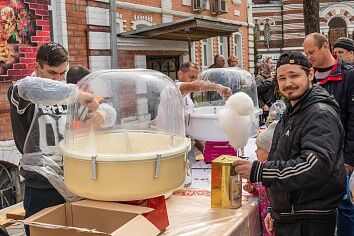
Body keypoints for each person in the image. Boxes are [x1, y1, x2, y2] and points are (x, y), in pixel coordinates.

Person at [234, 51, 346, 236]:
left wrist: (259, 171)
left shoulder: (319, 114)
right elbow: (282, 156)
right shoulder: (293, 111)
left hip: (309, 221)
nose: (288, 83)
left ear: (310, 74)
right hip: (293, 216)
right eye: (282, 78)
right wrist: (275, 210)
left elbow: (314, 166)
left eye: (294, 75)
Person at [7, 42, 100, 236]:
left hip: (74, 181)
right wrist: (77, 94)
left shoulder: (68, 95)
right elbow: (29, 87)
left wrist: (103, 115)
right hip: (41, 186)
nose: (58, 79)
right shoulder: (21, 92)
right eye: (51, 73)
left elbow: (96, 111)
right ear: (36, 67)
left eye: (62, 74)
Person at [303, 32, 354, 236]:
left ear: (325, 47)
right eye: (305, 53)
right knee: (315, 204)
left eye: (311, 52)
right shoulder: (307, 75)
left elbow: (353, 120)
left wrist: (349, 158)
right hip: (312, 153)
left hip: (340, 155)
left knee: (345, 206)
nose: (309, 57)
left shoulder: (348, 75)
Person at [177, 62, 232, 186]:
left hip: (187, 146)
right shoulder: (174, 88)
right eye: (191, 77)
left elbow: (189, 127)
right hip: (175, 147)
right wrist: (219, 87)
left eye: (196, 78)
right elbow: (197, 86)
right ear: (180, 74)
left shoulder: (188, 99)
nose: (194, 81)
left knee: (192, 181)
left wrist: (204, 150)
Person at [243, 121, 276, 236]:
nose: (256, 151)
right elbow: (260, 191)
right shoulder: (258, 168)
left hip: (273, 218)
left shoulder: (273, 170)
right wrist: (252, 188)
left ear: (269, 151)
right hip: (264, 217)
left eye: (259, 148)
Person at [255, 57, 276, 125]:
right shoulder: (259, 78)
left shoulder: (271, 77)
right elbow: (255, 93)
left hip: (270, 109)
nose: (273, 65)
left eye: (273, 63)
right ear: (265, 64)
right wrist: (263, 105)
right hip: (263, 111)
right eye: (271, 63)